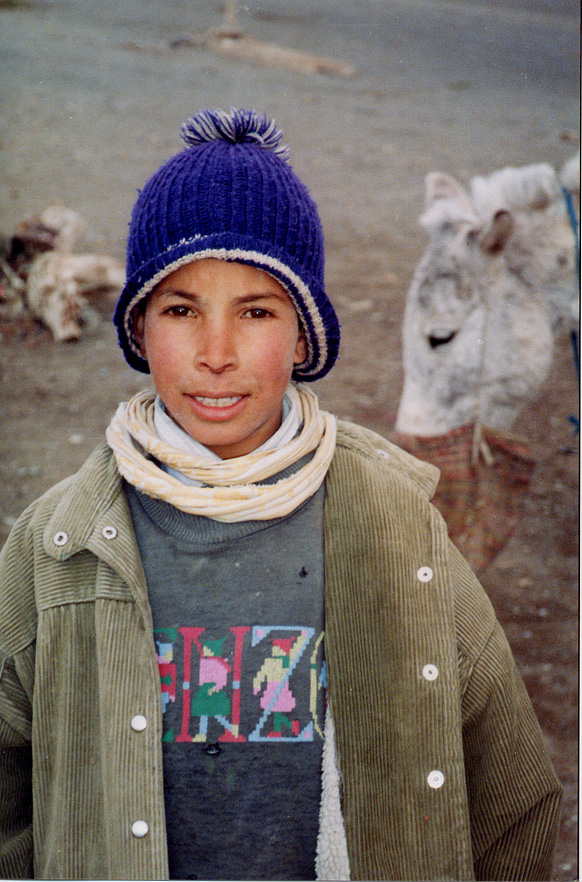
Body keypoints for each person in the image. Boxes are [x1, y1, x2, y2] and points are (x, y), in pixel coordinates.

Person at [0, 108, 562, 882]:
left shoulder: (398, 531)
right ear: (138, 327)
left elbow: (513, 796)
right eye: (181, 309)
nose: (217, 353)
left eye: (256, 311)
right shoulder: (56, 545)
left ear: (303, 336)